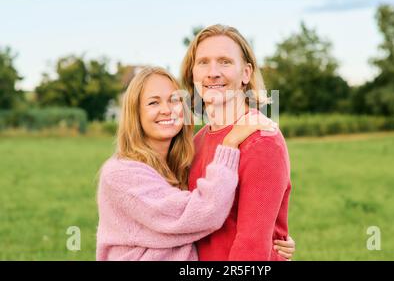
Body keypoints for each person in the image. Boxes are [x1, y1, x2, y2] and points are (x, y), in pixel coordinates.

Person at [96, 67, 288, 260]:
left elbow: (212, 221)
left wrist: (268, 237)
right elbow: (206, 213)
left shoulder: (181, 164)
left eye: (174, 100)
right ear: (135, 114)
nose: (166, 110)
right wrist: (230, 143)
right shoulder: (121, 173)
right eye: (153, 102)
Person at [182, 24, 293, 260]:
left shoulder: (262, 139)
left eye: (225, 61)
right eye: (203, 62)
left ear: (246, 73)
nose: (212, 72)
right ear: (193, 74)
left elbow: (252, 246)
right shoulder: (198, 140)